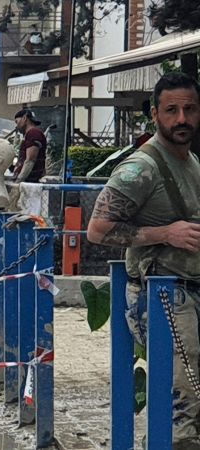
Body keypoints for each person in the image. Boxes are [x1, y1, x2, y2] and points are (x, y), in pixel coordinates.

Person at [87, 72, 200, 448]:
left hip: (188, 291)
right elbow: (98, 229)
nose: (181, 119)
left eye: (189, 109)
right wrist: (165, 234)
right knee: (183, 400)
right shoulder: (142, 168)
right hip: (162, 297)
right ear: (155, 114)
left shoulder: (191, 162)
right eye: (172, 110)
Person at [12, 109, 47, 182]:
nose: (16, 125)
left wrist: (19, 181)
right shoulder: (30, 134)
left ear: (24, 118)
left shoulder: (33, 133)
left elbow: (30, 160)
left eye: (17, 121)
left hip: (29, 181)